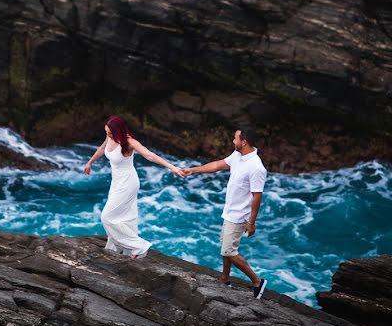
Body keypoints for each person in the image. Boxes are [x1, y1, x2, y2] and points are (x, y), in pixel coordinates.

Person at [83, 114, 186, 258]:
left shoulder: (129, 142)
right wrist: (90, 162)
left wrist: (172, 167)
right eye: (107, 133)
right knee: (123, 216)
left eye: (111, 133)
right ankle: (117, 247)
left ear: (119, 131)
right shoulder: (110, 136)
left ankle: (139, 246)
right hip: (117, 181)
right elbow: (102, 148)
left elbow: (150, 155)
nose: (108, 136)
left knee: (107, 216)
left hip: (128, 183)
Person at [183, 128, 268, 298]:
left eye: (235, 138)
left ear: (244, 142)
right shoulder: (238, 156)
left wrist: (251, 222)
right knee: (225, 247)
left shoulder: (256, 167)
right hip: (229, 211)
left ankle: (258, 281)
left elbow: (257, 196)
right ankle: (225, 278)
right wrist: (193, 170)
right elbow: (217, 165)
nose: (232, 141)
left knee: (229, 251)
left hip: (239, 215)